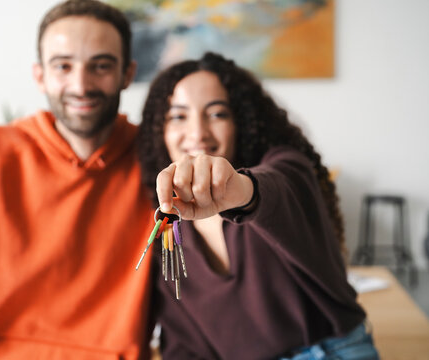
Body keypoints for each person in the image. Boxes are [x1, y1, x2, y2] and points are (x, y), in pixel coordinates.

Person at [0, 1, 155, 359]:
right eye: (63, 66)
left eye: (100, 66)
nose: (81, 84)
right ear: (40, 76)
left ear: (127, 74)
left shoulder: (157, 161)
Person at [138, 52, 379, 359]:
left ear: (241, 121)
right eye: (179, 116)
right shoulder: (166, 227)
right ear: (159, 129)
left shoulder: (286, 169)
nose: (198, 133)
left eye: (217, 114)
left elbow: (275, 189)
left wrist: (237, 189)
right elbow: (183, 342)